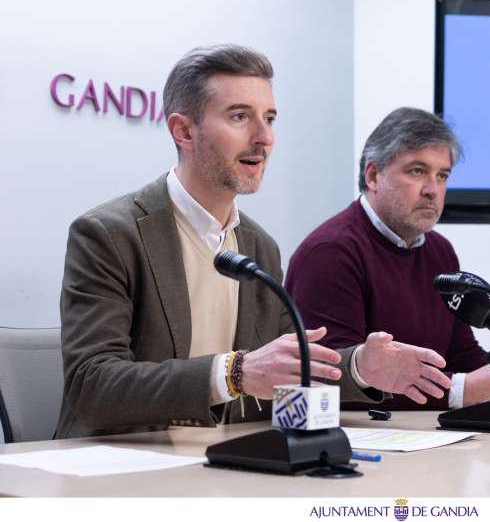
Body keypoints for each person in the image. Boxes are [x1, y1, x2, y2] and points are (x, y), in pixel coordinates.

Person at [55, 47, 450, 438]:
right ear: (183, 131)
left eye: (269, 118)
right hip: (125, 463)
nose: (264, 138)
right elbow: (91, 384)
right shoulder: (109, 234)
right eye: (240, 116)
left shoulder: (259, 247)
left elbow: (286, 368)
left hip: (229, 462)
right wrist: (234, 373)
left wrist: (360, 366)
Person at [285, 107, 490, 410]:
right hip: (362, 438)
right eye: (417, 171)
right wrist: (461, 390)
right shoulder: (330, 253)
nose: (433, 190)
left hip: (425, 434)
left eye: (442, 175)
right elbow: (331, 380)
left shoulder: (439, 251)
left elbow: (460, 355)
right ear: (373, 176)